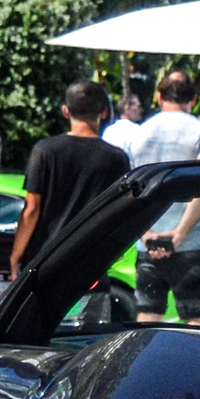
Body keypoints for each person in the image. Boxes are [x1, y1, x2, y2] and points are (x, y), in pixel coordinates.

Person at [132, 70, 200, 328]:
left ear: (159, 97)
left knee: (147, 318)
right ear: (193, 100)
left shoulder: (139, 132)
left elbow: (131, 190)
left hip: (147, 243)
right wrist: (180, 234)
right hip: (191, 243)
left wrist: (147, 234)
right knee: (196, 322)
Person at [10, 80, 133, 276]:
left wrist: (16, 256)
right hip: (91, 263)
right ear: (103, 112)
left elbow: (31, 209)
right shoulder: (117, 158)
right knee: (91, 307)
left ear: (65, 111)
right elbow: (121, 213)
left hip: (45, 261)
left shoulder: (45, 151)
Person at [102, 86, 147, 155]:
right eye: (138, 106)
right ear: (127, 108)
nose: (141, 110)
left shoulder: (108, 130)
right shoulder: (138, 130)